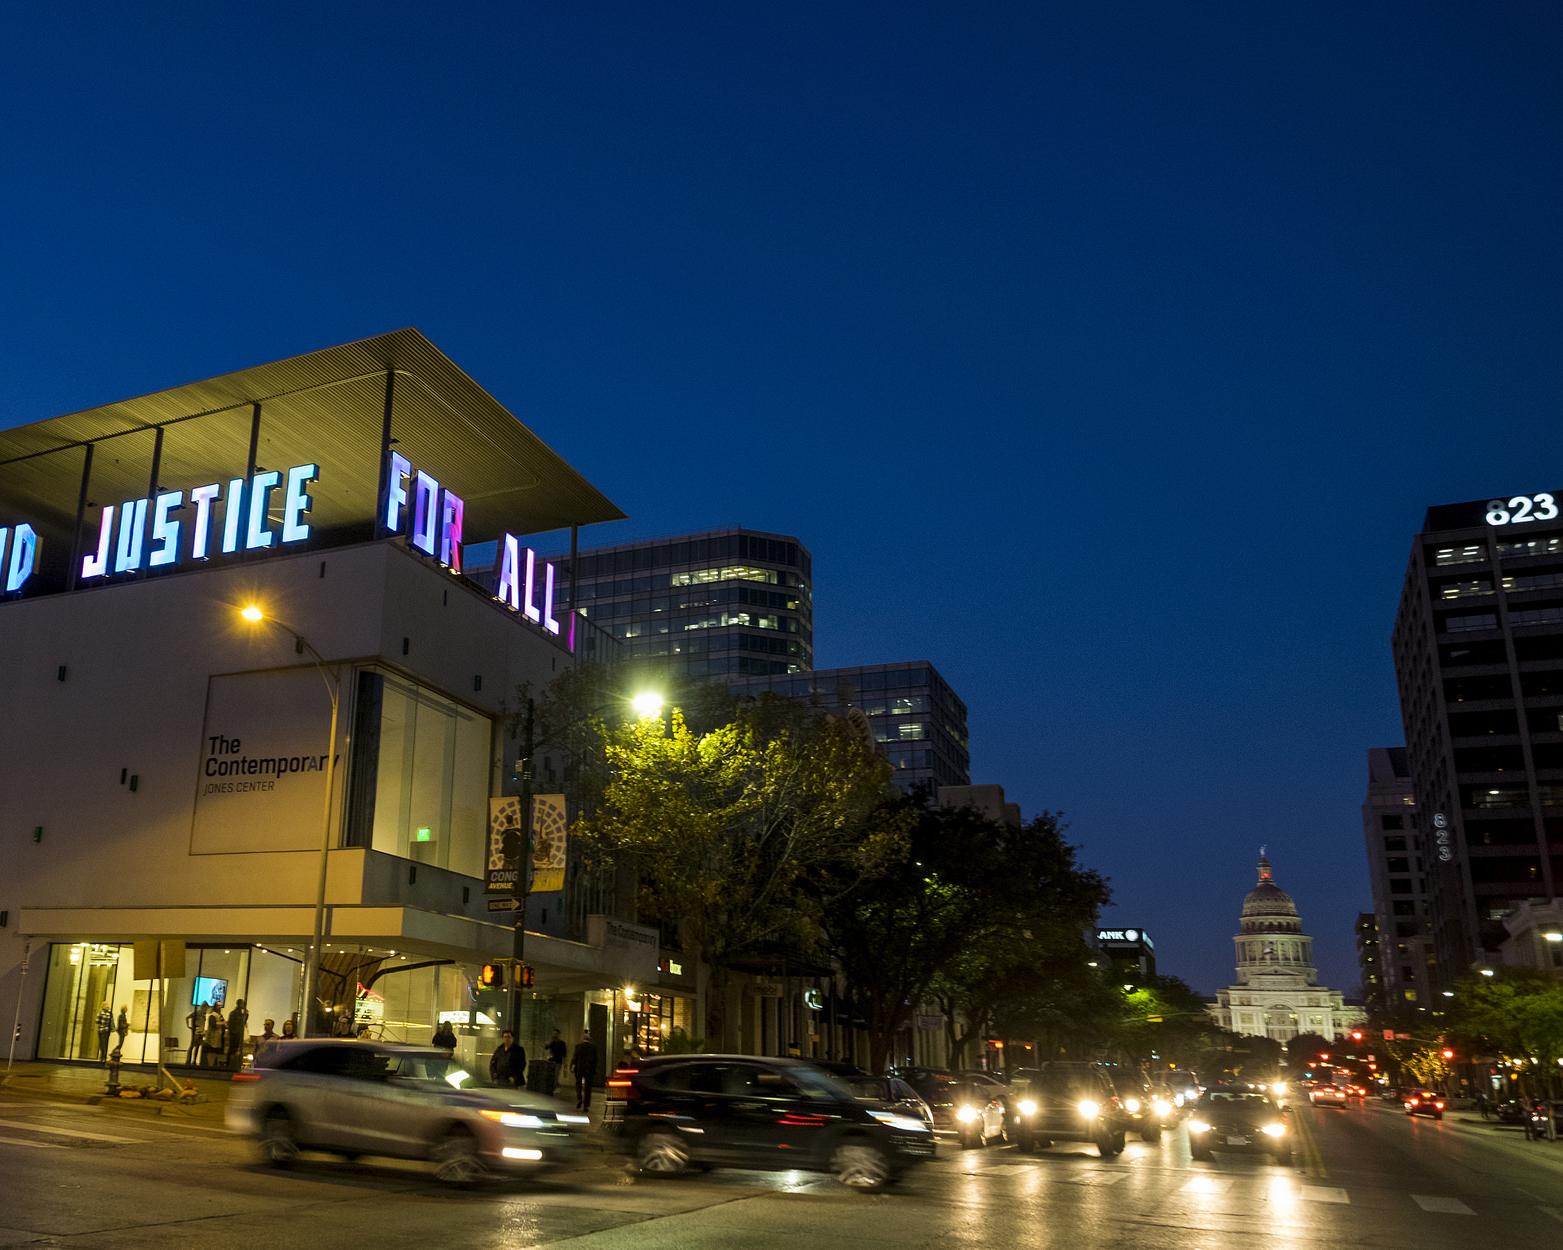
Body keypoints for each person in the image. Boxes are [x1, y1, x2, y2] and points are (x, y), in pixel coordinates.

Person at [571, 1030, 600, 1112]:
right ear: (589, 1039)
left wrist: (572, 1066)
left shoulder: (578, 1046)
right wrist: (594, 1068)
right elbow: (596, 1059)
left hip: (580, 1068)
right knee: (588, 1087)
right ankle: (586, 1105)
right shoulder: (593, 1047)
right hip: (589, 1069)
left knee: (578, 1084)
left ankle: (579, 1098)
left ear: (583, 1039)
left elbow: (575, 1058)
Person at [226, 998, 249, 1070]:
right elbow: (231, 1024)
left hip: (238, 1034)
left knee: (236, 1050)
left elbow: (244, 1022)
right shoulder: (234, 1013)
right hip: (234, 1035)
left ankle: (234, 1064)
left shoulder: (241, 1013)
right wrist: (234, 1032)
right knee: (233, 1049)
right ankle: (229, 1064)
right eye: (242, 1004)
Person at [186, 1002, 210, 1066]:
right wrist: (188, 1026)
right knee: (192, 1045)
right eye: (206, 1008)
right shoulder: (197, 1012)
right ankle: (188, 1060)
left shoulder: (203, 1014)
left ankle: (194, 1060)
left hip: (201, 1032)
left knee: (197, 1046)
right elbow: (187, 1017)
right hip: (196, 1032)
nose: (206, 1010)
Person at [546, 1030, 567, 1096]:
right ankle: (553, 1087)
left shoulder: (562, 1043)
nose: (555, 1035)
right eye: (554, 1034)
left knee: (556, 1075)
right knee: (552, 1075)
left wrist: (565, 1063)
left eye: (556, 1034)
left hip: (558, 1061)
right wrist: (550, 1042)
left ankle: (554, 1088)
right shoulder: (552, 1043)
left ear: (558, 1034)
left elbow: (564, 1054)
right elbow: (546, 1047)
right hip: (551, 1061)